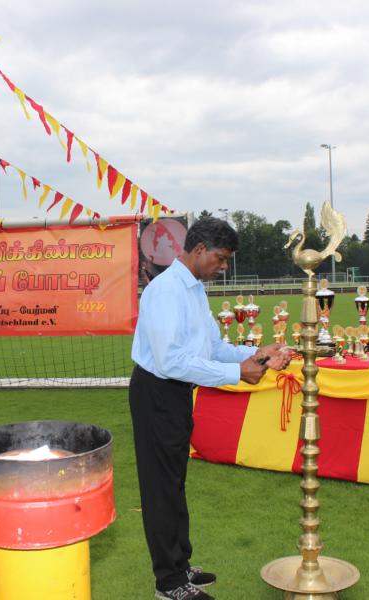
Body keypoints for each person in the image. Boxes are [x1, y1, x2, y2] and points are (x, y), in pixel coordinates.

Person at [129, 217, 291, 600]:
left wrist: (254, 354)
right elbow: (171, 360)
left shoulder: (194, 289)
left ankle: (180, 564)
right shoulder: (166, 291)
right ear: (199, 249)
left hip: (176, 393)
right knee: (160, 488)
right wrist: (237, 373)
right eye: (220, 258)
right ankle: (169, 583)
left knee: (174, 482)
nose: (224, 267)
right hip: (157, 392)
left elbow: (211, 347)